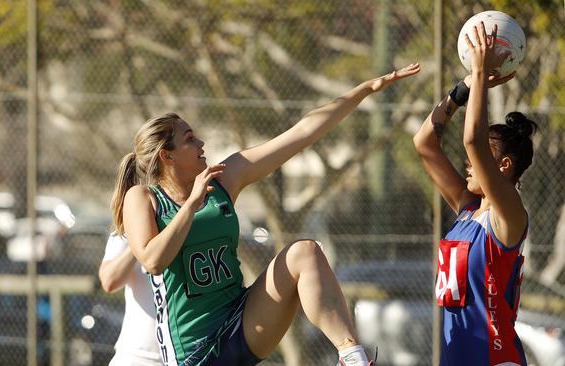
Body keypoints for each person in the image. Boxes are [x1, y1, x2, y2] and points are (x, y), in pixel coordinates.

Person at [110, 62, 420, 366]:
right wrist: (191, 204)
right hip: (194, 354)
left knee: (304, 252)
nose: (201, 143)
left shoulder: (224, 179)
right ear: (167, 155)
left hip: (241, 322)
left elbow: (302, 133)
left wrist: (364, 90)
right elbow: (152, 261)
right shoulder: (144, 197)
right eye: (190, 139)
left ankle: (353, 358)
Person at [413, 22, 537, 366]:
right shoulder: (468, 210)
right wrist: (465, 87)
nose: (469, 164)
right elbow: (424, 143)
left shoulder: (508, 215)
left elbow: (473, 140)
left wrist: (482, 73)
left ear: (505, 165)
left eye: (481, 159)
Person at [99, 233, 163, 366]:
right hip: (137, 356)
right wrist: (139, 242)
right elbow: (109, 281)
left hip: (190, 354)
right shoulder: (125, 231)